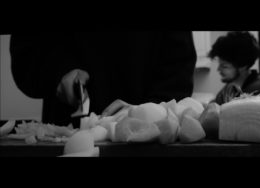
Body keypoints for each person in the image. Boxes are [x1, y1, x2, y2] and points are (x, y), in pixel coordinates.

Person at [10, 32, 197, 126]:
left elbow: (178, 68)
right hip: (67, 134)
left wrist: (150, 110)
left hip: (149, 143)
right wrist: (57, 72)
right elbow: (26, 51)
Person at [208, 31, 260, 105]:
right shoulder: (231, 87)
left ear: (242, 66)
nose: (218, 69)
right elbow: (214, 105)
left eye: (224, 66)